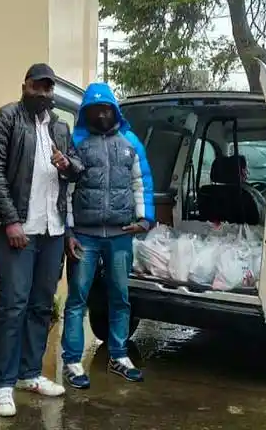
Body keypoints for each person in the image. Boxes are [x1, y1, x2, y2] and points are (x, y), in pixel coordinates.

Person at [0, 63, 83, 418]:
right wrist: (10, 220)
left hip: (52, 229)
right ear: (24, 85)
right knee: (13, 305)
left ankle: (29, 373)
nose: (43, 93)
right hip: (17, 228)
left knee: (41, 305)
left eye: (48, 88)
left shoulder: (59, 127)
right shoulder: (5, 119)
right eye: (37, 87)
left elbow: (77, 172)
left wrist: (66, 162)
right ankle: (3, 384)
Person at [60, 82, 154, 389]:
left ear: (114, 110)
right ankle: (72, 361)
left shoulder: (130, 142)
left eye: (106, 108)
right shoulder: (77, 141)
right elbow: (67, 190)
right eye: (94, 109)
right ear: (86, 112)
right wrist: (69, 231)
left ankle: (118, 354)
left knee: (120, 297)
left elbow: (142, 182)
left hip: (120, 235)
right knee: (77, 299)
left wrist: (146, 219)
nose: (101, 114)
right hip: (84, 236)